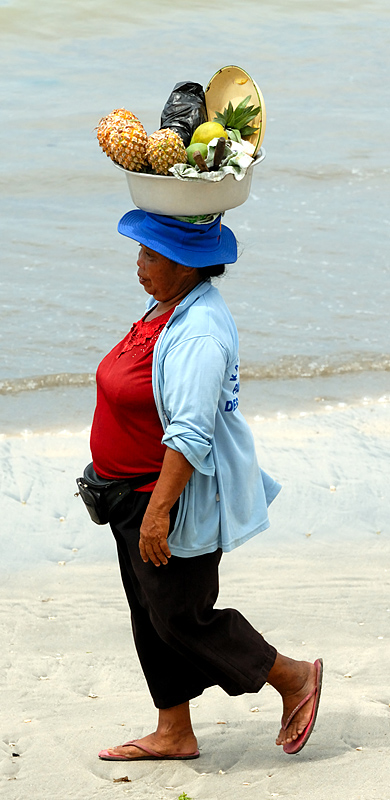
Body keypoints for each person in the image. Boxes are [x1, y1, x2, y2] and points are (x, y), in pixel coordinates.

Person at [89, 210, 323, 761]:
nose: (138, 266)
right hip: (128, 493)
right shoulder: (168, 308)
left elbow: (191, 435)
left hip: (166, 502)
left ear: (187, 264)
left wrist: (156, 514)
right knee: (150, 615)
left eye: (150, 256)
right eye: (141, 252)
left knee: (182, 619)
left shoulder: (198, 333)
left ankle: (293, 678)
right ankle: (174, 731)